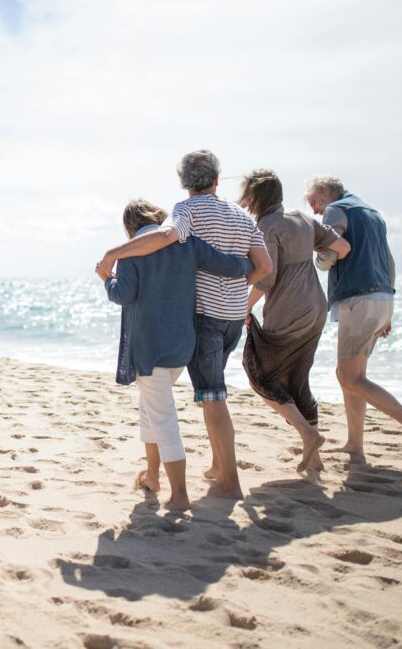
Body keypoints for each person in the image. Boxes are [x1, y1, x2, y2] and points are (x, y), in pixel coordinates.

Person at [96, 150, 272, 499]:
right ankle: (168, 473)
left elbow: (153, 255)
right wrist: (237, 288)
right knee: (171, 405)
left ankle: (204, 487)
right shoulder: (233, 221)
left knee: (196, 404)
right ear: (217, 180)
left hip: (179, 334)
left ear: (183, 183)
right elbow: (255, 266)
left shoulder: (170, 226)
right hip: (223, 324)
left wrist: (112, 263)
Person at [305, 175, 402, 467]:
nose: (313, 210)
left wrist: (317, 258)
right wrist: (388, 305)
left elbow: (329, 253)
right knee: (352, 375)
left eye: (313, 201)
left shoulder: (336, 210)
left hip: (359, 298)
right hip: (382, 297)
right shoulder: (372, 213)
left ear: (326, 193)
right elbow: (389, 262)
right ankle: (355, 444)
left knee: (350, 377)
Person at [237, 169, 352, 473]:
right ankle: (313, 458)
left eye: (248, 193)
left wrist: (243, 309)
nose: (245, 200)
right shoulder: (302, 218)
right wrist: (314, 260)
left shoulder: (266, 225)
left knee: (259, 372)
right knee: (298, 379)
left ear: (257, 195)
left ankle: (308, 433)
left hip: (289, 310)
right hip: (316, 309)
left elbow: (266, 277)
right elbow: (342, 247)